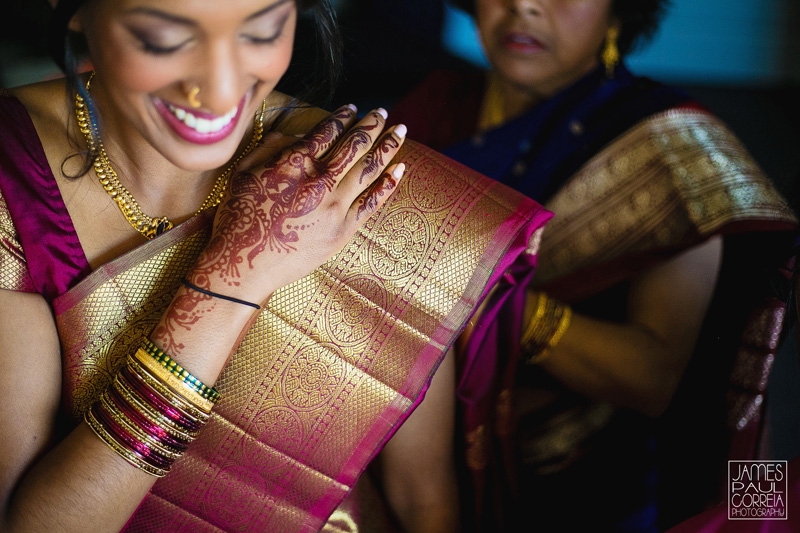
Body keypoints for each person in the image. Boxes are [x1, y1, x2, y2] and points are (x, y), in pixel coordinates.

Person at [0, 1, 550, 531]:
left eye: (260, 31)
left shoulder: (355, 178)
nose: (218, 88)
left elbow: (423, 502)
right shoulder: (13, 179)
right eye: (164, 38)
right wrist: (234, 275)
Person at [389, 0, 798, 530]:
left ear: (621, 12)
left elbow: (652, 379)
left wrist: (494, 299)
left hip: (593, 483)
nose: (525, 6)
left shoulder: (669, 149)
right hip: (418, 455)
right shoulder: (437, 107)